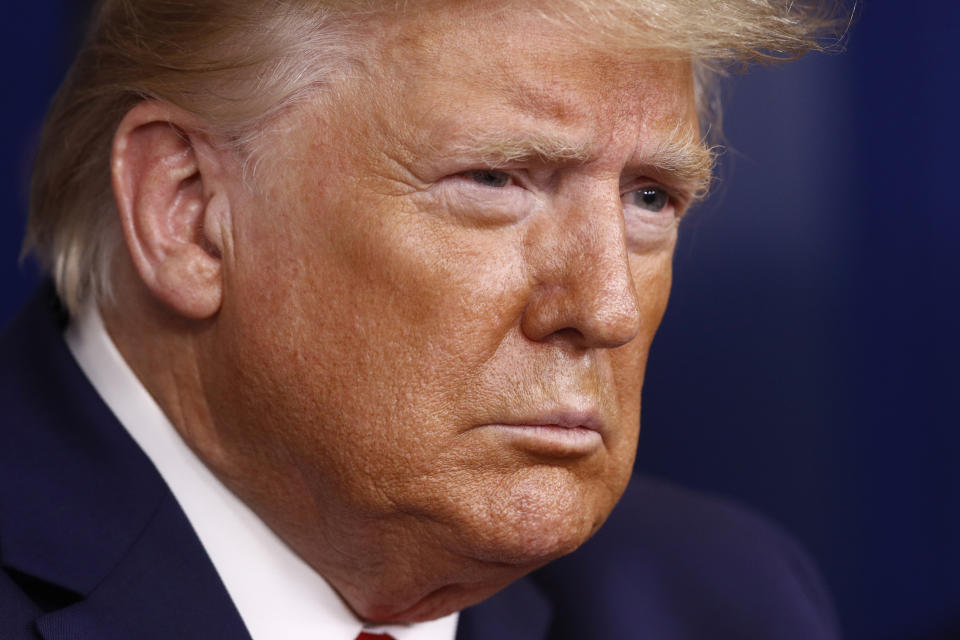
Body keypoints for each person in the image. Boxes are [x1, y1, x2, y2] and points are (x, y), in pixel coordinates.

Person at [1, 1, 848, 638]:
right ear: (187, 214)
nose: (607, 308)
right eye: (496, 180)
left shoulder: (723, 596)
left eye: (651, 198)